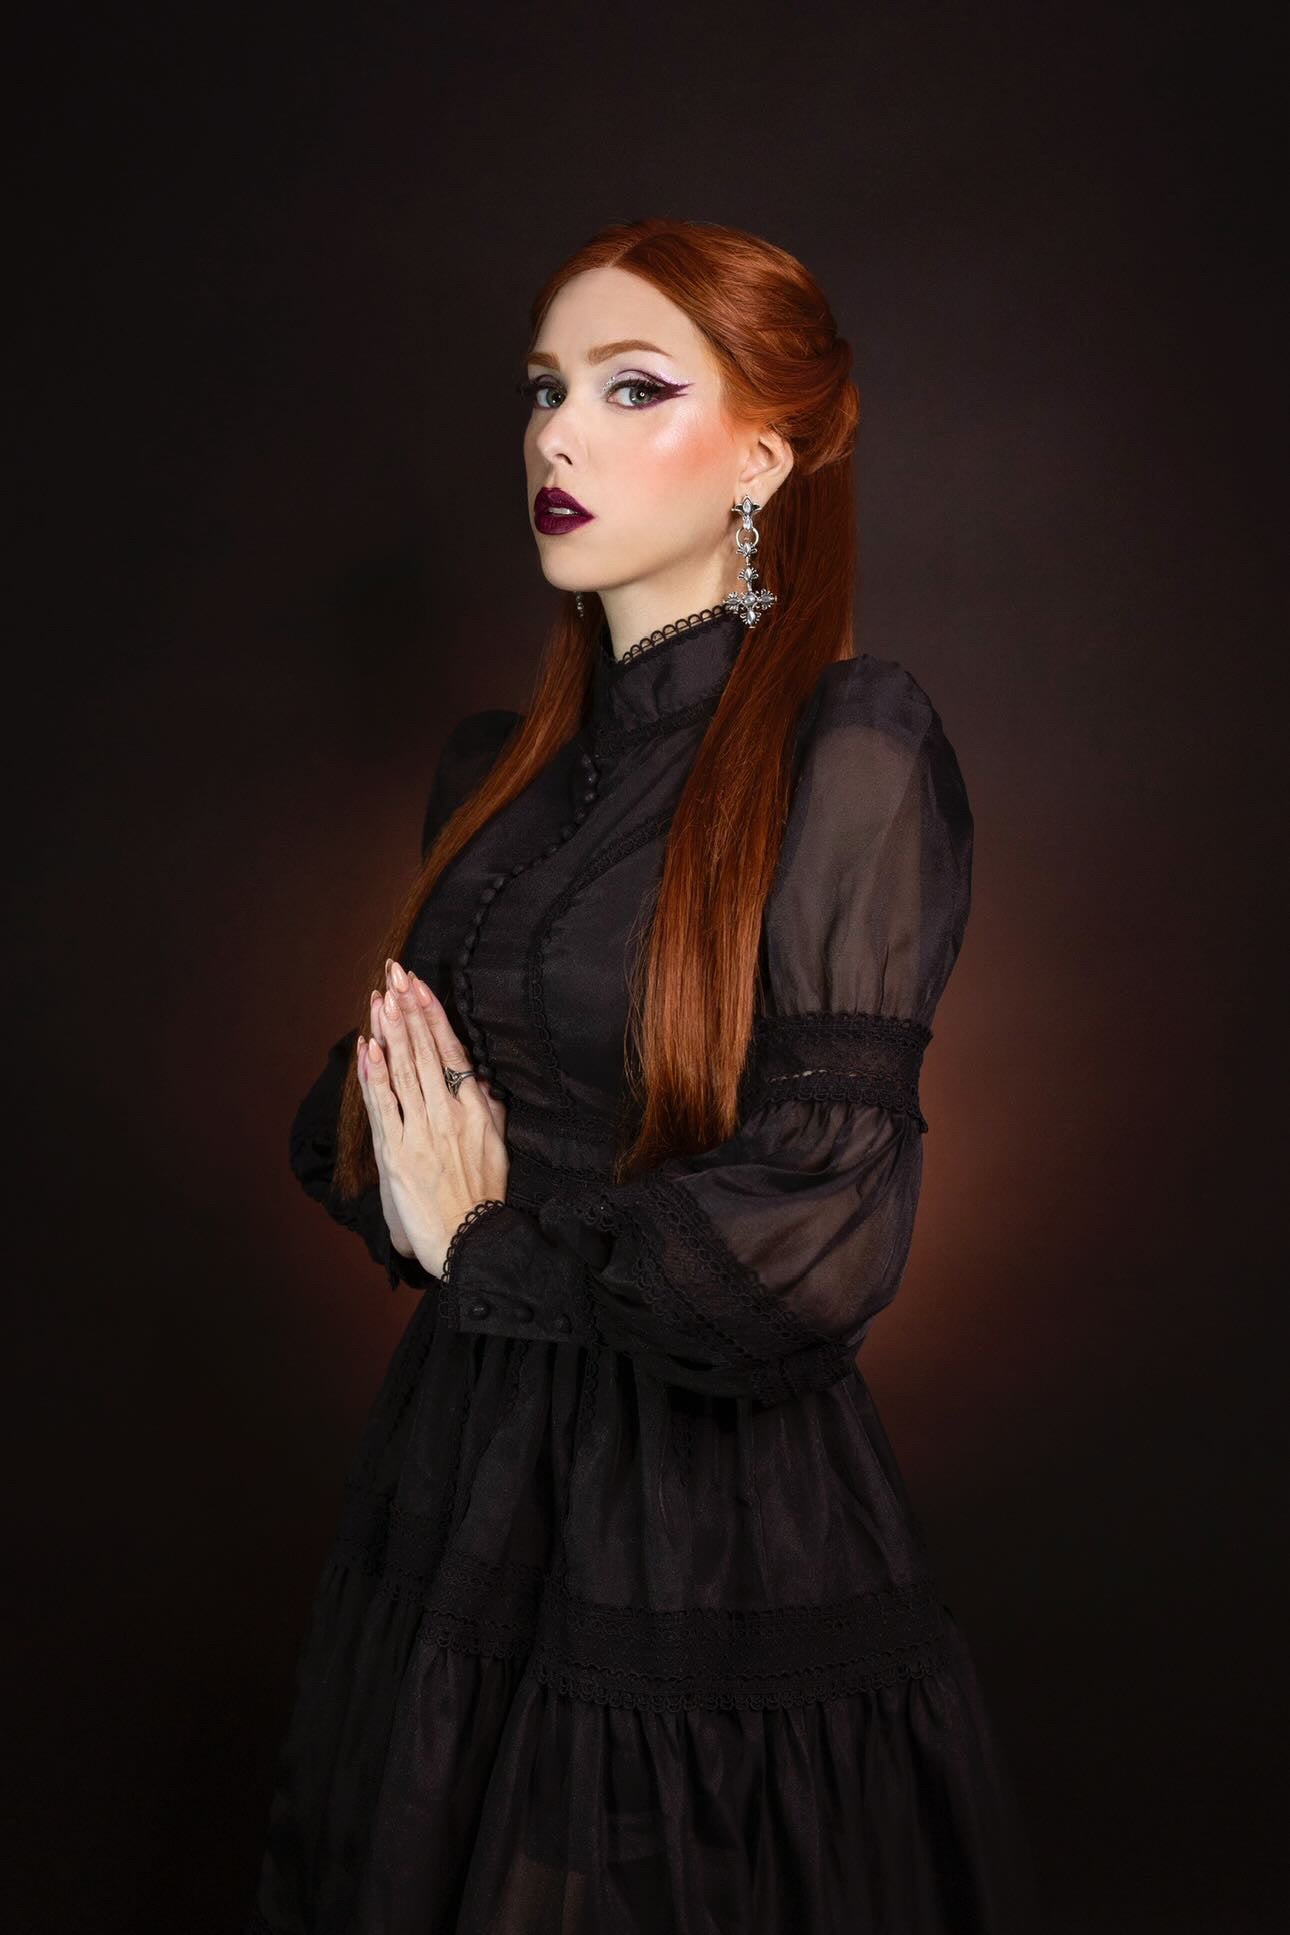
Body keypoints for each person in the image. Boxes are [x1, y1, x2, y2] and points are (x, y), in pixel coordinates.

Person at [245, 217, 1039, 1933]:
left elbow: (818, 1228)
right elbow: (362, 1125)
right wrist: (432, 1199)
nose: (557, 438)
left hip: (705, 1503)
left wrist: (483, 1243)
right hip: (463, 1462)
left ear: (762, 456)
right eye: (544, 391)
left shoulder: (847, 750)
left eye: (630, 389)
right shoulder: (495, 772)